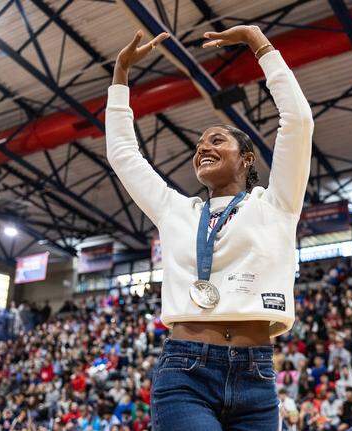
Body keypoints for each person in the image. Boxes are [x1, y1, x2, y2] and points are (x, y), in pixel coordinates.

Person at [107, 25, 313, 430]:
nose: (203, 147)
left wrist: (258, 43)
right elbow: (122, 154)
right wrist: (120, 76)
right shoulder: (174, 210)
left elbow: (298, 122)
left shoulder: (277, 203)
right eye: (199, 145)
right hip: (185, 374)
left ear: (247, 159)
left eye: (217, 140)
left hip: (256, 376)